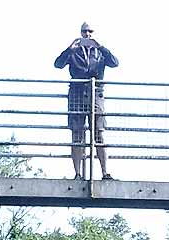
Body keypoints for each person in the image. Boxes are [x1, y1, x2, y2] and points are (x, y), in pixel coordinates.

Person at [53, 21, 118, 181]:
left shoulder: (101, 52)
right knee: (77, 134)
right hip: (76, 94)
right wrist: (69, 50)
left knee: (99, 134)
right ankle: (77, 174)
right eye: (84, 31)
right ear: (80, 33)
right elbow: (58, 64)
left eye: (90, 32)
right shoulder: (73, 52)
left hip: (96, 95)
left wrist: (101, 46)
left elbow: (115, 63)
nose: (87, 35)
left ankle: (105, 172)